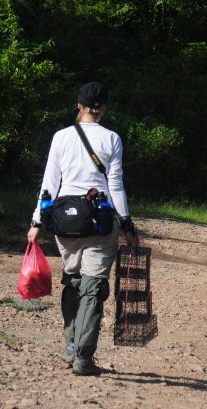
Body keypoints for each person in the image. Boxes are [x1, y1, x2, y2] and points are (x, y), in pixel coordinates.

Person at [27, 81, 137, 376]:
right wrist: (125, 221)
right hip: (99, 222)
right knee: (93, 287)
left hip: (65, 223)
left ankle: (70, 344)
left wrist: (37, 221)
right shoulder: (112, 138)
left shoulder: (61, 137)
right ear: (104, 108)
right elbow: (115, 185)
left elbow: (49, 184)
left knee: (74, 282)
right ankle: (83, 357)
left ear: (79, 105)